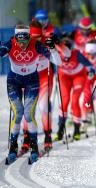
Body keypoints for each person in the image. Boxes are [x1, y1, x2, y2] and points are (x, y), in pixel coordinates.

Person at [0, 24, 57, 162]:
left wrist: (53, 50)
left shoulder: (36, 45)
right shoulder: (10, 44)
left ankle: (34, 147)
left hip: (32, 80)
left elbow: (57, 62)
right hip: (14, 81)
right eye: (19, 41)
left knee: (29, 114)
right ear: (15, 38)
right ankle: (13, 147)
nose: (22, 45)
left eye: (25, 41)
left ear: (29, 37)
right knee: (18, 113)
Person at [21, 20, 62, 152]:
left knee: (44, 108)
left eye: (38, 37)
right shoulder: (24, 42)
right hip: (29, 80)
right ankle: (27, 138)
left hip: (45, 80)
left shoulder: (46, 41)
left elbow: (59, 62)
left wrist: (54, 48)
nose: (36, 40)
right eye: (33, 38)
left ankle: (47, 136)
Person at [54, 37, 95, 141]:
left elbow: (90, 65)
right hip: (64, 76)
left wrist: (91, 72)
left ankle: (76, 129)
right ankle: (60, 129)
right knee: (65, 101)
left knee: (75, 101)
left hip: (79, 76)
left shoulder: (76, 54)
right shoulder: (57, 53)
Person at [81, 40, 96, 133]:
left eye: (94, 54)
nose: (91, 56)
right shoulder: (83, 55)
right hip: (88, 77)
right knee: (86, 98)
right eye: (89, 53)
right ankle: (84, 122)